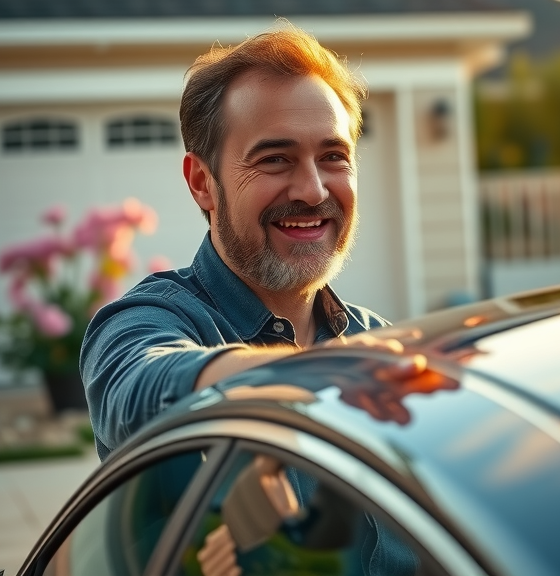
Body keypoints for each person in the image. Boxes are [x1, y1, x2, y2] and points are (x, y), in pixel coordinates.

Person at [81, 22, 394, 461]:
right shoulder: (151, 320)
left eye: (333, 157)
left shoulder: (374, 338)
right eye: (274, 159)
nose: (314, 190)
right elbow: (132, 391)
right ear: (202, 182)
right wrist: (309, 374)